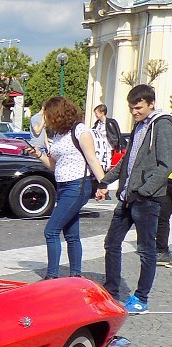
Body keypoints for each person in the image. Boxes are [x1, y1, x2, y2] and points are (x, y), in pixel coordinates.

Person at [94, 84, 172, 314]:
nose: (134, 112)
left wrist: (145, 190)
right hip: (128, 197)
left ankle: (141, 298)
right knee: (111, 242)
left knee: (146, 250)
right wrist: (104, 181)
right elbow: (126, 161)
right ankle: (112, 290)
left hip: (146, 199)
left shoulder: (162, 124)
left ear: (150, 104)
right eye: (131, 108)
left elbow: (166, 164)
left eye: (138, 108)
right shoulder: (139, 125)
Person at [33, 97, 106, 280]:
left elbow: (92, 159)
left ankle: (52, 276)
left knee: (51, 230)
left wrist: (103, 184)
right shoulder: (58, 134)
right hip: (63, 186)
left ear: (57, 114)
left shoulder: (80, 131)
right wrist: (39, 154)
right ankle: (75, 276)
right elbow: (54, 164)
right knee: (71, 233)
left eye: (47, 114)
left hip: (77, 185)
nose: (45, 118)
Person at [157, 172, 172, 267]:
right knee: (162, 217)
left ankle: (162, 251)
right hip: (166, 179)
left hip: (166, 179)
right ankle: (162, 251)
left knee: (162, 218)